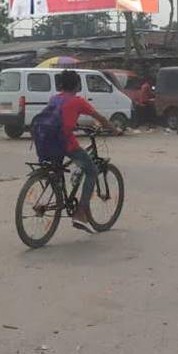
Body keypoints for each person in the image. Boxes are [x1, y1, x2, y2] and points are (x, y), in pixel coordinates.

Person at [54, 69, 116, 233]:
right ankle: (81, 211)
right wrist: (113, 128)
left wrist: (79, 125)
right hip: (66, 144)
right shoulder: (78, 101)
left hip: (48, 143)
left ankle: (59, 195)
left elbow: (62, 119)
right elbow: (99, 117)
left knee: (58, 172)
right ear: (76, 85)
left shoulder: (54, 99)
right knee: (92, 170)